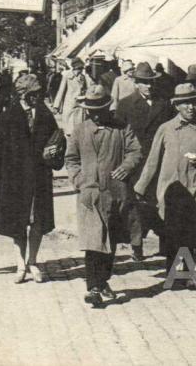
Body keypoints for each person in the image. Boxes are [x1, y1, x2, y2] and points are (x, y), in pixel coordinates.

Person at [134, 83, 196, 285]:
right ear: (176, 106)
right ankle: (171, 272)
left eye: (193, 103)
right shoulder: (166, 129)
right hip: (170, 190)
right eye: (185, 103)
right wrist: (139, 189)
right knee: (171, 231)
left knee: (193, 232)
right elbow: (152, 162)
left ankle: (189, 274)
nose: (191, 107)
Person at [65, 84, 143, 307]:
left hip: (115, 193)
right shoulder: (80, 130)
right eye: (91, 111)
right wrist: (79, 180)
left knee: (110, 240)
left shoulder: (121, 128)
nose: (96, 115)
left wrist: (127, 166)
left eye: (99, 110)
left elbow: (135, 151)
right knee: (93, 242)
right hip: (89, 195)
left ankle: (103, 280)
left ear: (108, 108)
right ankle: (93, 288)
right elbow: (71, 159)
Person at [0, 74, 64, 284]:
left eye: (38, 93)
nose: (37, 97)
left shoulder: (45, 115)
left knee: (37, 222)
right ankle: (20, 264)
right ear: (22, 94)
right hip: (14, 179)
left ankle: (33, 261)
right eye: (32, 94)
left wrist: (54, 153)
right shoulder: (7, 117)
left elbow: (57, 141)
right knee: (18, 222)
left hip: (39, 177)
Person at [115, 61, 175, 261]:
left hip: (160, 160)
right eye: (144, 82)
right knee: (136, 205)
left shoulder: (164, 103)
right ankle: (137, 246)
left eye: (151, 82)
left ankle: (165, 244)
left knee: (161, 200)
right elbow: (120, 135)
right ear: (136, 83)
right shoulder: (125, 104)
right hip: (137, 162)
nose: (148, 86)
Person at [53, 57, 93, 143]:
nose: (80, 71)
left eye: (81, 69)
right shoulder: (67, 76)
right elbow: (61, 91)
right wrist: (56, 106)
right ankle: (70, 145)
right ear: (74, 68)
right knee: (69, 129)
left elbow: (88, 88)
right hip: (69, 105)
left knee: (79, 129)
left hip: (80, 106)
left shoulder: (83, 77)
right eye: (78, 69)